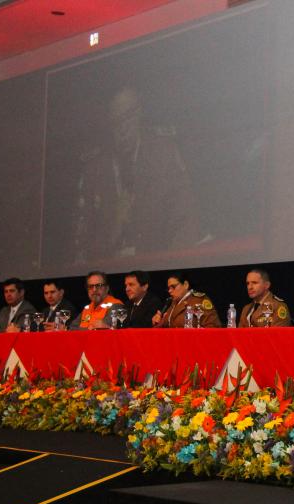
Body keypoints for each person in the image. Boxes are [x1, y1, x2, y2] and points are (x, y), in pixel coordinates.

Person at [73, 87, 200, 261]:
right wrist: (114, 228)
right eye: (116, 121)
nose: (122, 129)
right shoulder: (95, 170)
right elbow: (80, 247)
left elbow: (186, 222)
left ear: (139, 113)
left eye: (127, 117)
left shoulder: (163, 155)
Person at [152, 271, 221, 328]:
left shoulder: (199, 300)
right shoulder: (172, 303)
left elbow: (213, 326)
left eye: (173, 287)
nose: (170, 291)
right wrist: (159, 322)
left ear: (185, 284)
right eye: (168, 288)